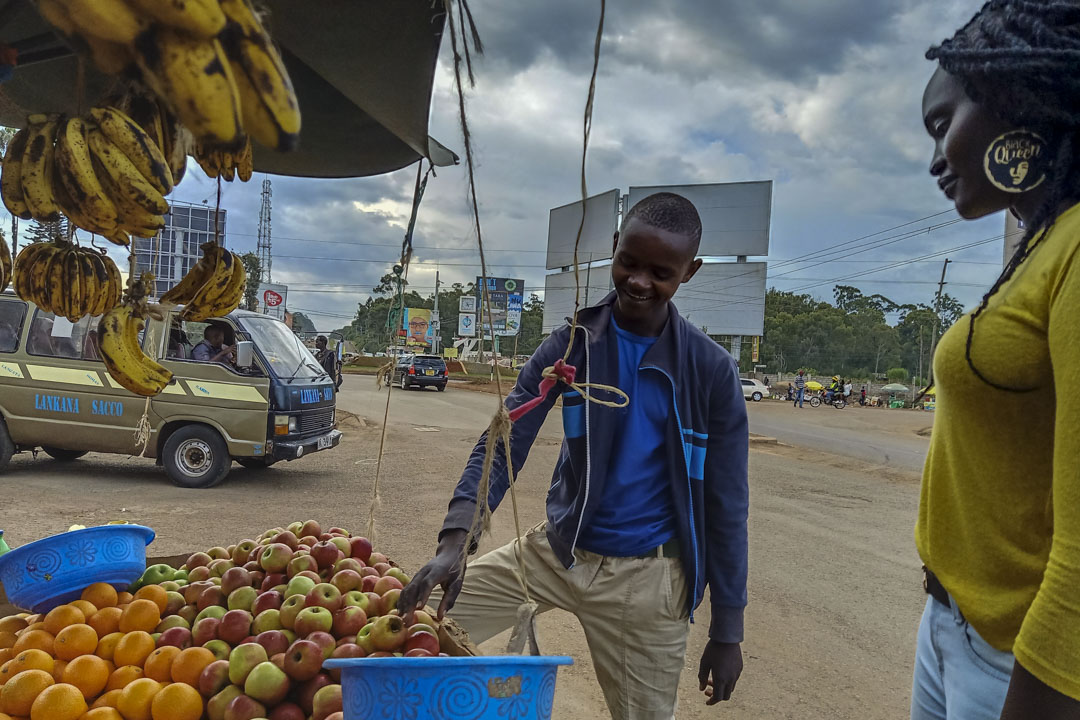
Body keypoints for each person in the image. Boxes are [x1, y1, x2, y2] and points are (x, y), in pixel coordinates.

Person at [398, 192, 748, 719]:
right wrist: (455, 543)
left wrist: (728, 630)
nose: (638, 281)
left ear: (689, 272)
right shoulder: (570, 346)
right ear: (613, 248)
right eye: (629, 262)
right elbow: (501, 445)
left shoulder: (710, 371)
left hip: (649, 583)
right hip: (556, 554)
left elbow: (727, 507)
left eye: (661, 272)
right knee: (412, 627)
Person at [912, 4, 1080, 718]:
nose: (934, 158)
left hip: (1015, 663)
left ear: (1013, 100)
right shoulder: (1042, 245)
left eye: (942, 124)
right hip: (951, 627)